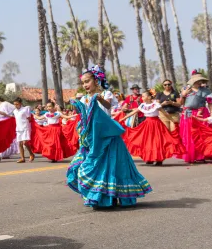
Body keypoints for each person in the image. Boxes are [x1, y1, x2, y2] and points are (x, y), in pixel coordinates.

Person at [67, 65, 152, 208]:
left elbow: (107, 106)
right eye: (83, 83)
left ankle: (114, 196)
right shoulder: (84, 99)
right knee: (94, 166)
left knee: (113, 167)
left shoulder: (106, 94)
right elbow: (84, 116)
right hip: (93, 138)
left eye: (87, 81)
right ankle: (100, 196)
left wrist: (98, 98)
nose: (85, 85)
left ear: (96, 80)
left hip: (109, 137)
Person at [120, 90, 183, 166]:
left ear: (149, 97)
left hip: (156, 124)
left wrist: (172, 120)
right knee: (147, 141)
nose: (142, 97)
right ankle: (149, 158)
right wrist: (123, 118)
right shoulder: (143, 105)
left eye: (143, 96)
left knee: (157, 141)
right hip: (147, 124)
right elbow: (134, 112)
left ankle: (159, 159)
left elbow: (164, 113)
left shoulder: (155, 104)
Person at [178, 70, 212, 163]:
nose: (199, 82)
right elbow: (180, 103)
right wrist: (183, 95)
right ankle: (190, 155)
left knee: (201, 135)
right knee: (189, 135)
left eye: (200, 81)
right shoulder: (185, 89)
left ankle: (201, 155)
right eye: (198, 81)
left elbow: (210, 103)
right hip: (188, 113)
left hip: (201, 113)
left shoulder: (206, 91)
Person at [0, 95, 19, 159]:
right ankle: (1, 153)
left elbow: (14, 108)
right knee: (0, 138)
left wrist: (11, 115)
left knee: (6, 137)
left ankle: (6, 153)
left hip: (6, 122)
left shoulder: (5, 104)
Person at [11, 97, 35, 163]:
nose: (15, 106)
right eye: (14, 104)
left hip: (25, 127)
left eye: (17, 104)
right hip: (18, 128)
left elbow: (29, 119)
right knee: (20, 143)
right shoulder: (14, 111)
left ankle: (31, 154)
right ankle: (22, 158)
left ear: (20, 103)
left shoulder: (25, 110)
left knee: (25, 142)